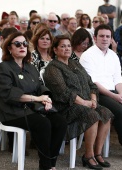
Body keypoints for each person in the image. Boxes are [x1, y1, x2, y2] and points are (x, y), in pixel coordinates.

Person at [0, 32, 67, 170]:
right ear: (9, 48)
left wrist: (47, 99)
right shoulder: (3, 68)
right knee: (43, 123)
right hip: (12, 112)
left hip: (33, 107)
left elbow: (40, 86)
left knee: (60, 122)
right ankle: (45, 166)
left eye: (24, 44)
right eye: (17, 44)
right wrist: (37, 98)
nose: (22, 46)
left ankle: (51, 163)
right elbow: (9, 94)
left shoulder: (30, 67)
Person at [44, 35, 113, 170]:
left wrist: (93, 99)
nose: (67, 49)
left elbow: (91, 83)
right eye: (62, 46)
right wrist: (85, 103)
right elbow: (64, 93)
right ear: (55, 50)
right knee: (92, 115)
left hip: (85, 102)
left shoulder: (75, 63)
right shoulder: (53, 68)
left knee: (106, 113)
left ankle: (97, 153)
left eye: (69, 46)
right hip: (65, 107)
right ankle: (88, 155)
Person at [80, 24, 122, 159]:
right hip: (96, 93)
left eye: (108, 36)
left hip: (114, 92)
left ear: (111, 39)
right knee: (120, 110)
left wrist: (121, 94)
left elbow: (118, 78)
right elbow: (92, 82)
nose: (105, 39)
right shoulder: (87, 55)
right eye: (101, 36)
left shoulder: (113, 55)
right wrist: (115, 96)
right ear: (95, 38)